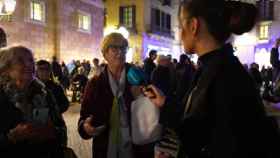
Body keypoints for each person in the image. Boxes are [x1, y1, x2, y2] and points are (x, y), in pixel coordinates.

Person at [144, 1, 280, 158]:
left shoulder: (224, 74)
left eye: (181, 26)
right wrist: (164, 103)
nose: (180, 34)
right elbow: (198, 127)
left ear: (194, 26)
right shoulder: (212, 67)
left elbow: (221, 145)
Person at [78, 33, 158, 158]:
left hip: (137, 147)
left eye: (123, 48)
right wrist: (86, 127)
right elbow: (84, 117)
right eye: (114, 48)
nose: (120, 52)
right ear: (105, 54)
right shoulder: (95, 83)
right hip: (105, 148)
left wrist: (140, 97)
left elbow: (154, 106)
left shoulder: (138, 77)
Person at [0, 46, 66, 158]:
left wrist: (51, 131)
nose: (28, 64)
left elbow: (61, 129)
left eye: (31, 60)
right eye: (20, 60)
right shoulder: (2, 95)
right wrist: (11, 137)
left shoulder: (45, 93)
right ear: (6, 68)